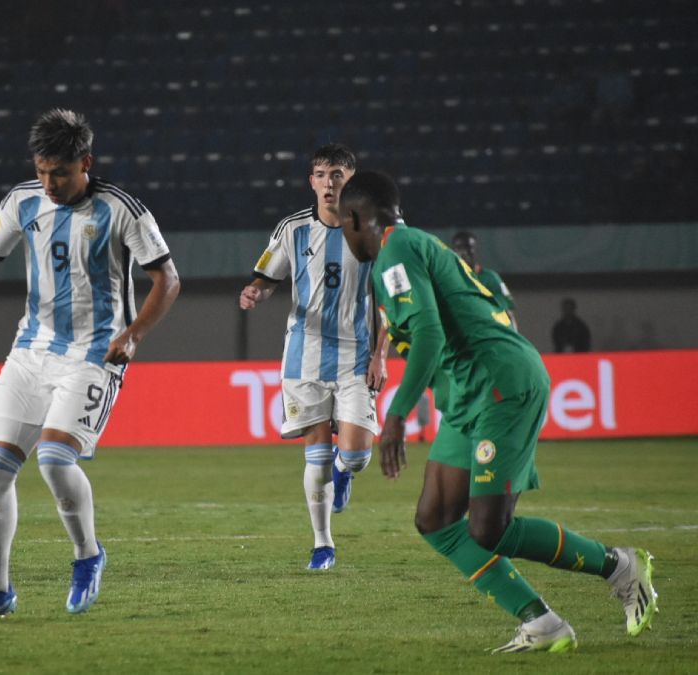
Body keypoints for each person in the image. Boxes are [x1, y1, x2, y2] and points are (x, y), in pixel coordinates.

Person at [337, 170, 657, 653]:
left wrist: (399, 413)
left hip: (502, 384)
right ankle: (541, 622)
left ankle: (619, 566)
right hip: (469, 397)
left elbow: (429, 335)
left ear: (357, 217)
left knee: (489, 529)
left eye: (344, 224)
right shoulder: (406, 250)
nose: (344, 234)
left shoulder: (396, 250)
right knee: (435, 520)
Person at [0, 109, 180, 621]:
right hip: (30, 351)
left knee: (54, 460)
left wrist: (134, 333)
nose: (49, 183)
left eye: (60, 172)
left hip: (95, 354)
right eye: (42, 170)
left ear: (85, 163)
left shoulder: (123, 210)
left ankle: (87, 555)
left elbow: (168, 279)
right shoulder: (21, 200)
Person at [238, 143, 387, 570]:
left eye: (337, 174)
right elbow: (267, 277)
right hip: (304, 354)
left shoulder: (371, 228)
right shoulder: (292, 229)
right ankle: (323, 544)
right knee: (315, 453)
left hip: (357, 355)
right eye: (321, 174)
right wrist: (256, 292)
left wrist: (381, 355)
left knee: (356, 455)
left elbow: (389, 299)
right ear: (311, 182)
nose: (328, 183)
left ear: (350, 180)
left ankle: (346, 471)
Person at [451, 231, 517, 330]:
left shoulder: (490, 277)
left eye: (469, 247)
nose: (466, 251)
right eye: (460, 248)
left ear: (475, 249)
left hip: (488, 331)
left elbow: (508, 309)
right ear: (454, 251)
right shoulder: (451, 279)